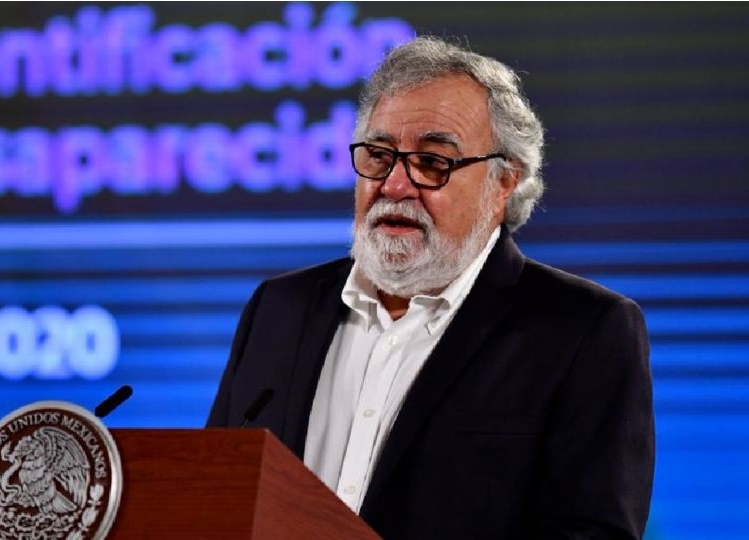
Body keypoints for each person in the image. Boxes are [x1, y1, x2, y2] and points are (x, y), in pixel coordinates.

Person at [207, 35, 654, 540]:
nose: (395, 185)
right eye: (378, 155)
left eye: (433, 162)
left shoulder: (582, 332)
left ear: (504, 182)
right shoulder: (279, 309)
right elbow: (216, 496)